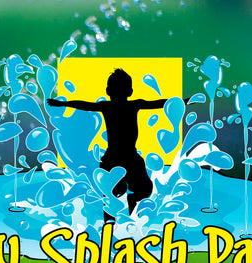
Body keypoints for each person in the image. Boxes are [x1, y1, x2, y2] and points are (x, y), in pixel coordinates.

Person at [47, 68, 167, 215]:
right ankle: (127, 207)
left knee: (113, 194)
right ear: (130, 91)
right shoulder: (131, 105)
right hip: (126, 158)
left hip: (115, 159)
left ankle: (114, 217)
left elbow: (84, 105)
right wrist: (181, 102)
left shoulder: (109, 106)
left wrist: (62, 104)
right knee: (137, 190)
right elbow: (159, 103)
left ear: (108, 91)